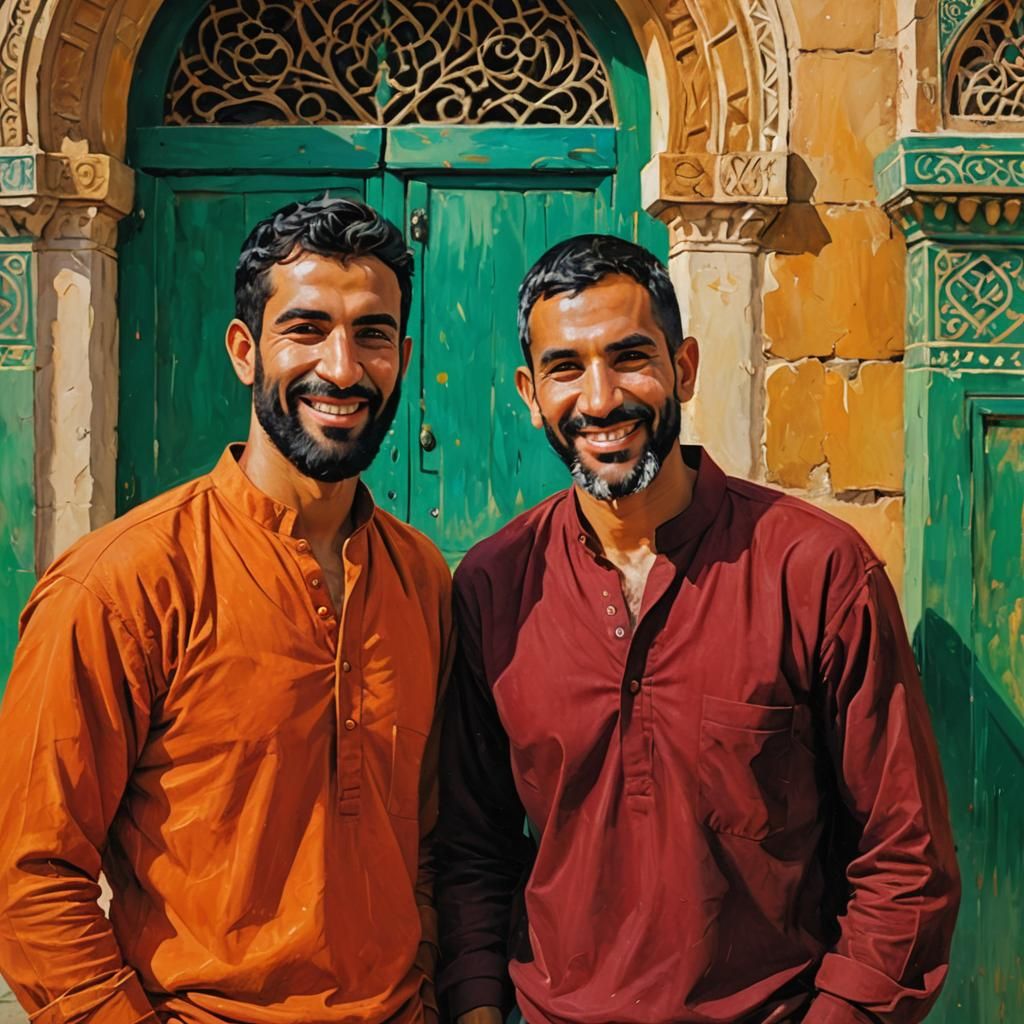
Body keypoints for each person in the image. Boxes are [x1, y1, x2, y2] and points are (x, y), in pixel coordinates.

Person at [435, 235, 960, 1024]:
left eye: (630, 356)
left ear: (683, 367)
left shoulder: (816, 573)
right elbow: (473, 849)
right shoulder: (495, 584)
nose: (602, 397)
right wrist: (477, 1009)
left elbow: (903, 857)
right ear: (530, 392)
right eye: (566, 368)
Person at [0, 197, 452, 1024]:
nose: (343, 369)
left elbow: (423, 842)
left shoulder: (419, 579)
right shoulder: (120, 584)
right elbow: (31, 878)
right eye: (306, 330)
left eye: (373, 334)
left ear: (404, 356)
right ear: (245, 350)